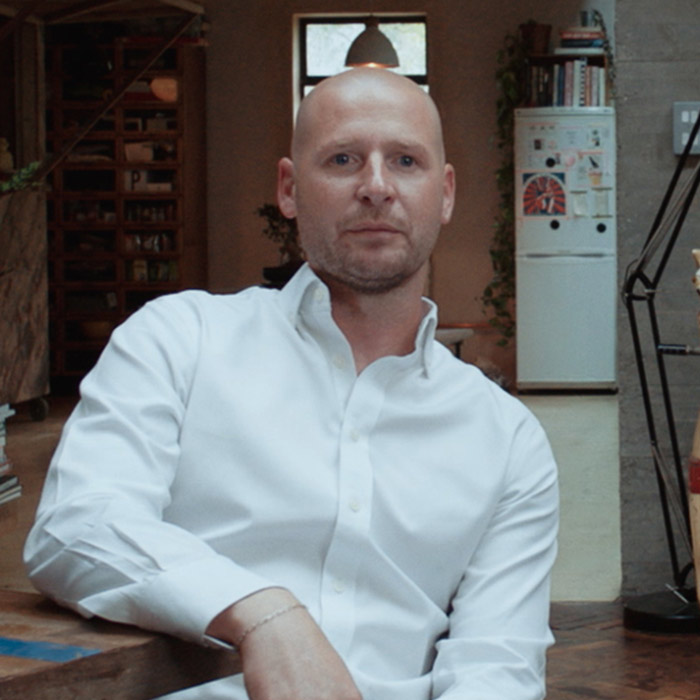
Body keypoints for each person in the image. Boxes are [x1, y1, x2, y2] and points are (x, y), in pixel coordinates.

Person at [24, 68, 558, 700]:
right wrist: (263, 613)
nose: (376, 187)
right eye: (343, 159)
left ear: (443, 195)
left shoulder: (507, 439)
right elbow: (76, 527)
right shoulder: (179, 341)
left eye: (405, 161)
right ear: (289, 189)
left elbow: (496, 666)